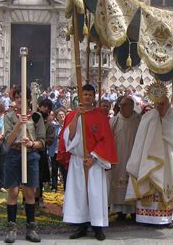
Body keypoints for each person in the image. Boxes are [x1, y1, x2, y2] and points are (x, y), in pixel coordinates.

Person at [125, 85, 173, 226]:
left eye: (165, 104)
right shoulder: (147, 118)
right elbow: (140, 142)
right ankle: (146, 219)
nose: (162, 107)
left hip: (168, 161)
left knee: (166, 184)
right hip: (148, 161)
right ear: (155, 103)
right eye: (160, 104)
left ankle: (166, 218)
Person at [63, 84, 118, 241]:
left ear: (94, 97)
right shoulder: (73, 114)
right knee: (79, 195)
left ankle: (98, 226)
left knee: (95, 194)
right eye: (84, 94)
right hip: (78, 161)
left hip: (93, 161)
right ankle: (81, 225)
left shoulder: (100, 115)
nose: (87, 97)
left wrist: (94, 158)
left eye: (89, 94)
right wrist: (77, 117)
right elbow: (70, 136)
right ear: (80, 96)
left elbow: (105, 139)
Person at [3, 87, 46, 243]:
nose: (20, 99)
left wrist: (31, 143)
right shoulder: (9, 116)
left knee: (29, 193)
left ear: (29, 98)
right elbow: (7, 141)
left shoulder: (36, 117)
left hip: (31, 155)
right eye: (17, 97)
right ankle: (12, 228)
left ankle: (31, 228)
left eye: (23, 97)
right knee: (13, 192)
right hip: (14, 154)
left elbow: (42, 141)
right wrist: (18, 125)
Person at [108, 96, 141, 218]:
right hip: (118, 158)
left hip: (134, 157)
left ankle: (133, 211)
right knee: (118, 184)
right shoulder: (114, 121)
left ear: (132, 107)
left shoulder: (139, 120)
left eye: (124, 105)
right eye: (120, 105)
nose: (121, 107)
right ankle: (119, 210)